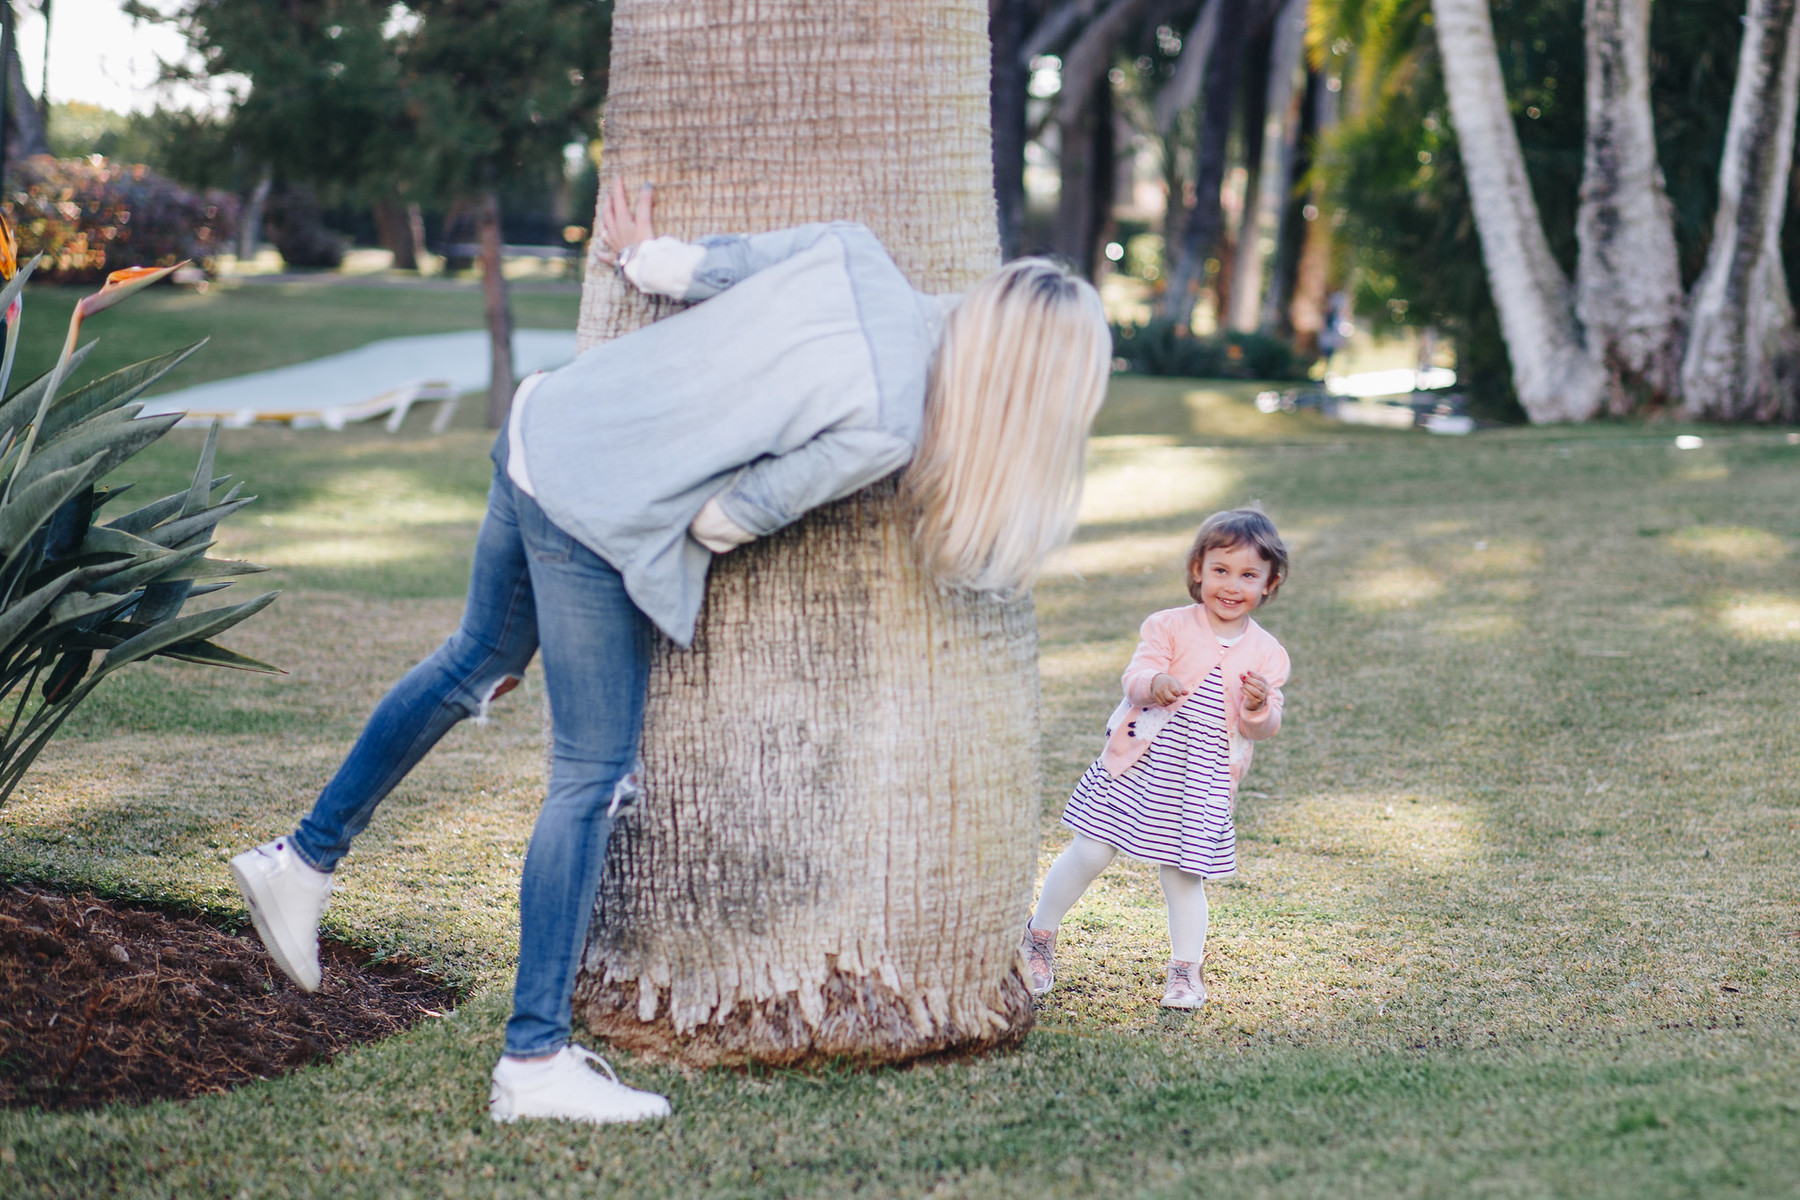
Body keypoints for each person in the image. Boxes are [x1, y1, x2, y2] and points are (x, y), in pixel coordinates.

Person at [227, 179, 1113, 1125]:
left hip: (543, 428)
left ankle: (302, 861)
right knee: (592, 777)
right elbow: (730, 519)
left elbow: (697, 268)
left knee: (475, 657)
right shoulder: (892, 424)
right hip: (594, 519)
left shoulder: (856, 250)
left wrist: (647, 266)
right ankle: (531, 1064)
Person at [1021, 508, 1291, 1009]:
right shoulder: (1167, 626)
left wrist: (1256, 707)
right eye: (1221, 571)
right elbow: (1136, 676)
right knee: (1092, 850)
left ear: (1270, 583)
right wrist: (1154, 684)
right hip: (1141, 765)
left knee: (1184, 874)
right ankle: (1037, 936)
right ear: (1197, 570)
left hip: (1202, 780)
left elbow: (1266, 724)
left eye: (1249, 575)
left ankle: (1185, 972)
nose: (1232, 586)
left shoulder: (1268, 653)